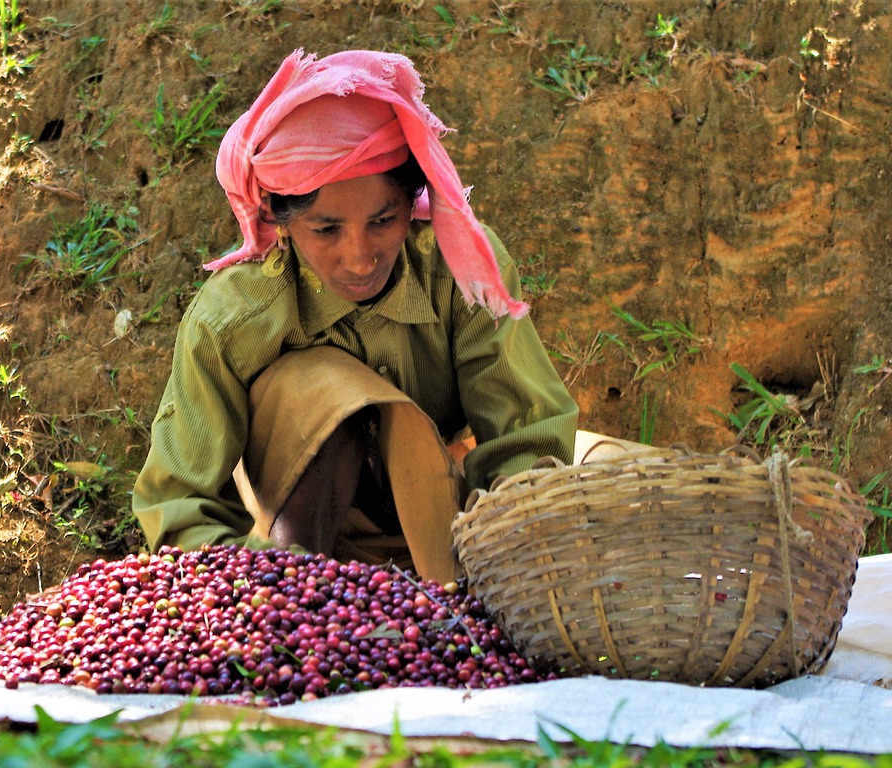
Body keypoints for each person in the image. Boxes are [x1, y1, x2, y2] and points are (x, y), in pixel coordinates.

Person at [132, 49, 580, 582]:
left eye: (384, 221)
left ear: (411, 201)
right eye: (326, 231)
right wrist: (250, 592)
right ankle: (302, 588)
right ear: (281, 219)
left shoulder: (458, 273)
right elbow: (181, 499)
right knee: (326, 390)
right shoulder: (233, 318)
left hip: (440, 515)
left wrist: (514, 554)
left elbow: (525, 438)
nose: (361, 256)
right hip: (292, 543)